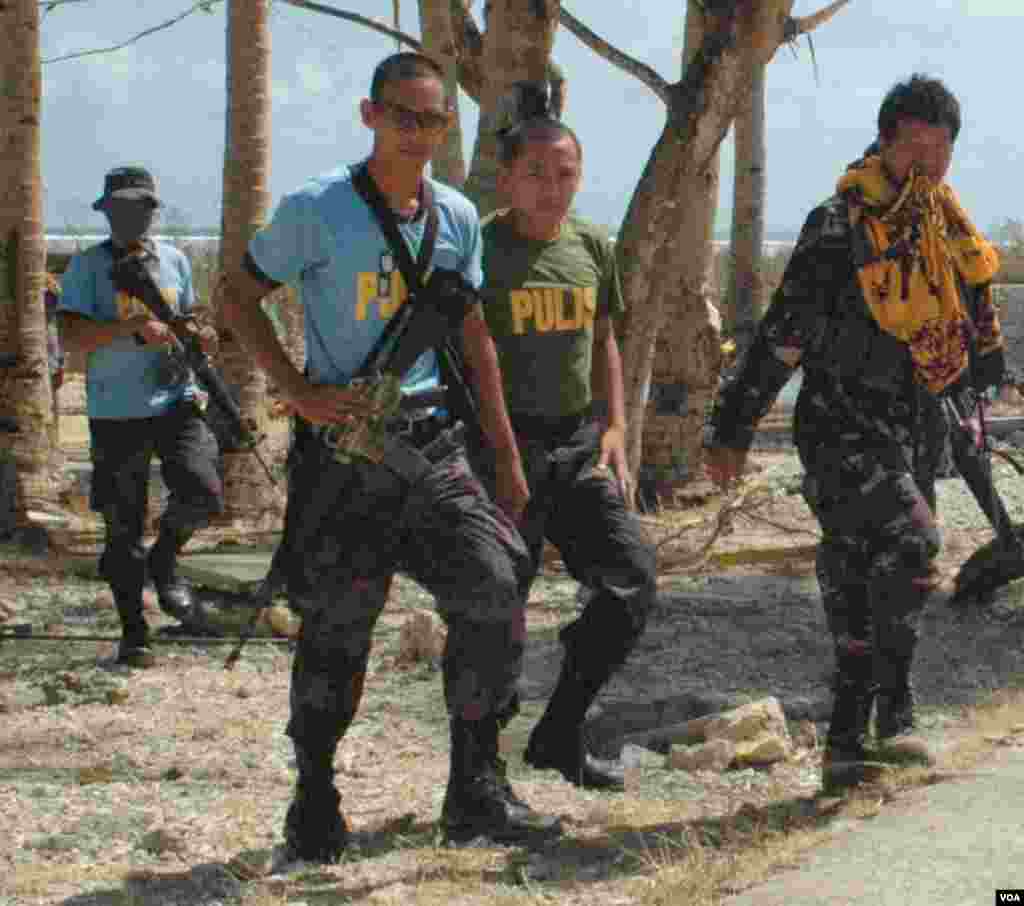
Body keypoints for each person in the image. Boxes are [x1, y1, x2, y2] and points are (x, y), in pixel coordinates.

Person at [220, 52, 562, 863]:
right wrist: (296, 390)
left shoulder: (458, 218)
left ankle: (475, 790)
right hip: (345, 461)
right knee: (338, 633)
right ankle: (314, 796)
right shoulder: (318, 208)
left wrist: (505, 456)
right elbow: (235, 297)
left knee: (495, 583)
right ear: (370, 116)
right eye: (402, 116)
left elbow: (471, 334)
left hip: (433, 449)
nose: (418, 132)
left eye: (433, 120)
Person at [704, 75, 1006, 791]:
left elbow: (970, 325)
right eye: (917, 151)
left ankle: (849, 740)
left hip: (914, 428)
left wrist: (976, 388)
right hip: (840, 424)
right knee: (912, 542)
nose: (930, 169)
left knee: (856, 573)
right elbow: (782, 336)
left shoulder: (946, 230)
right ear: (886, 141)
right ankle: (893, 715)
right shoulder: (838, 229)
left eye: (943, 154)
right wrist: (734, 427)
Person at [473, 108, 656, 791]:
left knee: (631, 578)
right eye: (536, 174)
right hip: (503, 446)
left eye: (567, 173)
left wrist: (615, 428)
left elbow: (604, 334)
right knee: (497, 608)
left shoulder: (590, 245)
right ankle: (481, 779)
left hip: (578, 444)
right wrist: (494, 454)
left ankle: (559, 732)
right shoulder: (480, 248)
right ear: (507, 180)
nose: (554, 187)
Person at [58, 166, 223, 669]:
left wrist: (201, 336)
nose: (136, 215)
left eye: (144, 207)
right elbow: (72, 336)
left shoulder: (174, 259)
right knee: (121, 528)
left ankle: (166, 559)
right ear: (107, 212)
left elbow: (192, 314)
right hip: (117, 412)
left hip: (177, 400)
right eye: (124, 207)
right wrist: (127, 326)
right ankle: (135, 632)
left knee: (203, 492)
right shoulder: (87, 267)